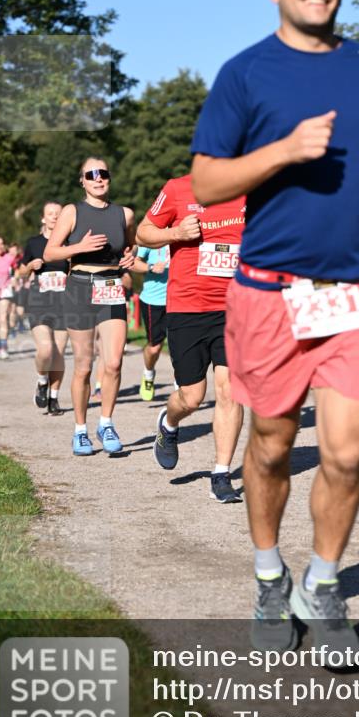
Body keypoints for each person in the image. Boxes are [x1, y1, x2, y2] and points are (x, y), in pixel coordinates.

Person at [190, 0, 359, 663]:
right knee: (273, 443)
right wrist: (282, 151)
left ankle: (321, 585)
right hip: (268, 294)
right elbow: (207, 183)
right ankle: (266, 575)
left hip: (356, 292)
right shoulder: (245, 74)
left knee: (344, 454)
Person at [136, 175, 245, 504]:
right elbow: (143, 232)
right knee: (192, 397)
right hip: (187, 308)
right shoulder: (178, 188)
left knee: (230, 390)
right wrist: (175, 233)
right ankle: (169, 423)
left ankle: (221, 473)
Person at [43, 157, 135, 456]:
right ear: (82, 180)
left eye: (103, 173)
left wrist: (129, 259)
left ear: (109, 178)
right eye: (91, 175)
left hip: (111, 287)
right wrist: (79, 248)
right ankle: (80, 430)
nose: (98, 179)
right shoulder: (72, 211)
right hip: (80, 286)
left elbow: (129, 247)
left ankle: (106, 422)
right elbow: (49, 252)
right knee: (84, 365)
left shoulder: (125, 213)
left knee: (113, 362)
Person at [20, 202, 70, 416]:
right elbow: (21, 273)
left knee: (59, 353)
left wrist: (71, 267)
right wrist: (31, 266)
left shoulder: (69, 244)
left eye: (58, 214)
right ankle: (42, 381)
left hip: (65, 303)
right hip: (39, 302)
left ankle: (54, 398)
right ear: (43, 218)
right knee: (46, 349)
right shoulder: (33, 243)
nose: (54, 217)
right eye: (50, 214)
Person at [131, 244, 169, 401]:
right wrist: (151, 266)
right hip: (154, 300)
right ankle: (148, 374)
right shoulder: (153, 234)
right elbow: (133, 263)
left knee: (180, 344)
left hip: (180, 298)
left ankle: (182, 384)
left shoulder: (186, 231)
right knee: (154, 348)